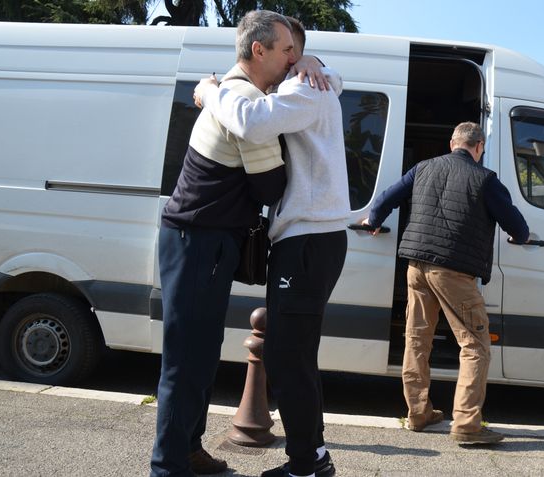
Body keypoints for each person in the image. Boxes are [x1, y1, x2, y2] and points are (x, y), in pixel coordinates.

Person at [195, 16, 348, 477]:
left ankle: (307, 463)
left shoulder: (304, 87)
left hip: (307, 240)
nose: (287, 58)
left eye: (290, 51)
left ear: (296, 55)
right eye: (284, 51)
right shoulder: (312, 81)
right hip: (310, 239)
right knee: (295, 354)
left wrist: (209, 91)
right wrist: (321, 65)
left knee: (286, 355)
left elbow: (249, 123)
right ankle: (312, 457)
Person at [150, 11, 297, 476]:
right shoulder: (246, 101)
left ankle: (187, 450)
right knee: (187, 358)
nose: (293, 59)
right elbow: (270, 187)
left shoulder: (231, 91)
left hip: (199, 238)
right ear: (259, 50)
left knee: (199, 352)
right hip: (199, 239)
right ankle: (168, 465)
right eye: (286, 50)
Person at [362, 122, 530, 445]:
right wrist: (518, 236)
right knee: (475, 345)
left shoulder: (423, 167)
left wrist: (373, 220)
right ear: (478, 147)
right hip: (453, 271)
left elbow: (388, 197)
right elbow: (516, 224)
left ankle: (418, 413)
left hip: (416, 266)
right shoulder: (485, 180)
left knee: (417, 338)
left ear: (453, 142)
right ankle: (467, 425)